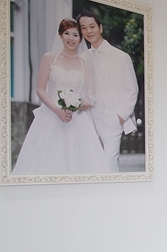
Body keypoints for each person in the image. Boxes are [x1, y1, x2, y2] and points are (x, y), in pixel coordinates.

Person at [13, 19, 111, 174]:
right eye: (67, 33)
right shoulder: (49, 58)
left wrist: (74, 107)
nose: (71, 38)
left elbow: (91, 99)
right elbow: (40, 89)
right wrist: (57, 111)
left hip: (78, 120)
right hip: (50, 116)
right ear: (60, 35)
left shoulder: (87, 65)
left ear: (81, 39)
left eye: (75, 35)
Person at [77, 10, 139, 172]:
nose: (89, 31)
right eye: (84, 28)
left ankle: (113, 188)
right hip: (89, 118)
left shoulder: (121, 56)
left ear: (100, 28)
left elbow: (132, 89)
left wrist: (120, 116)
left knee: (110, 160)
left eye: (92, 26)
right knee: (92, 161)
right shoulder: (82, 58)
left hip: (112, 117)